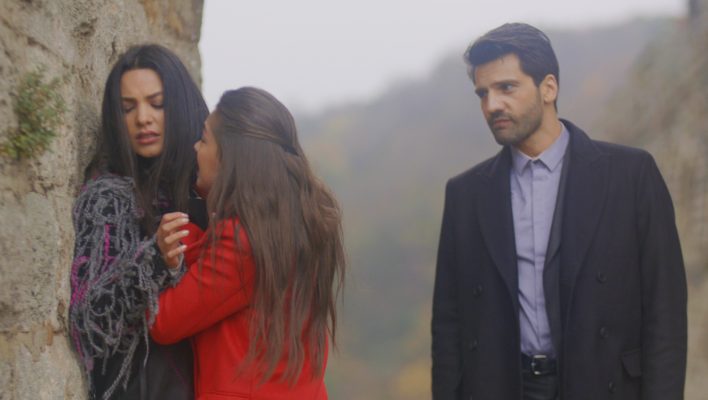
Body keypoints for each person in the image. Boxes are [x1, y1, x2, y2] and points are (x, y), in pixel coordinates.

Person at [431, 23, 687, 400]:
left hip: (602, 385)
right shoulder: (465, 194)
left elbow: (665, 310)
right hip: (503, 387)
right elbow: (448, 326)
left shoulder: (630, 175)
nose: (491, 105)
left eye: (506, 87)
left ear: (548, 88)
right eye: (483, 93)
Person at [150, 87, 345, 399]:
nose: (195, 147)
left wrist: (164, 249)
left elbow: (165, 322)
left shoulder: (243, 242)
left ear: (230, 158)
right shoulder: (296, 224)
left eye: (204, 140)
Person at [69, 44, 209, 399]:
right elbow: (89, 321)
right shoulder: (107, 200)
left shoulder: (210, 193)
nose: (143, 118)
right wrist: (155, 260)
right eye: (128, 108)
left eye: (156, 104)